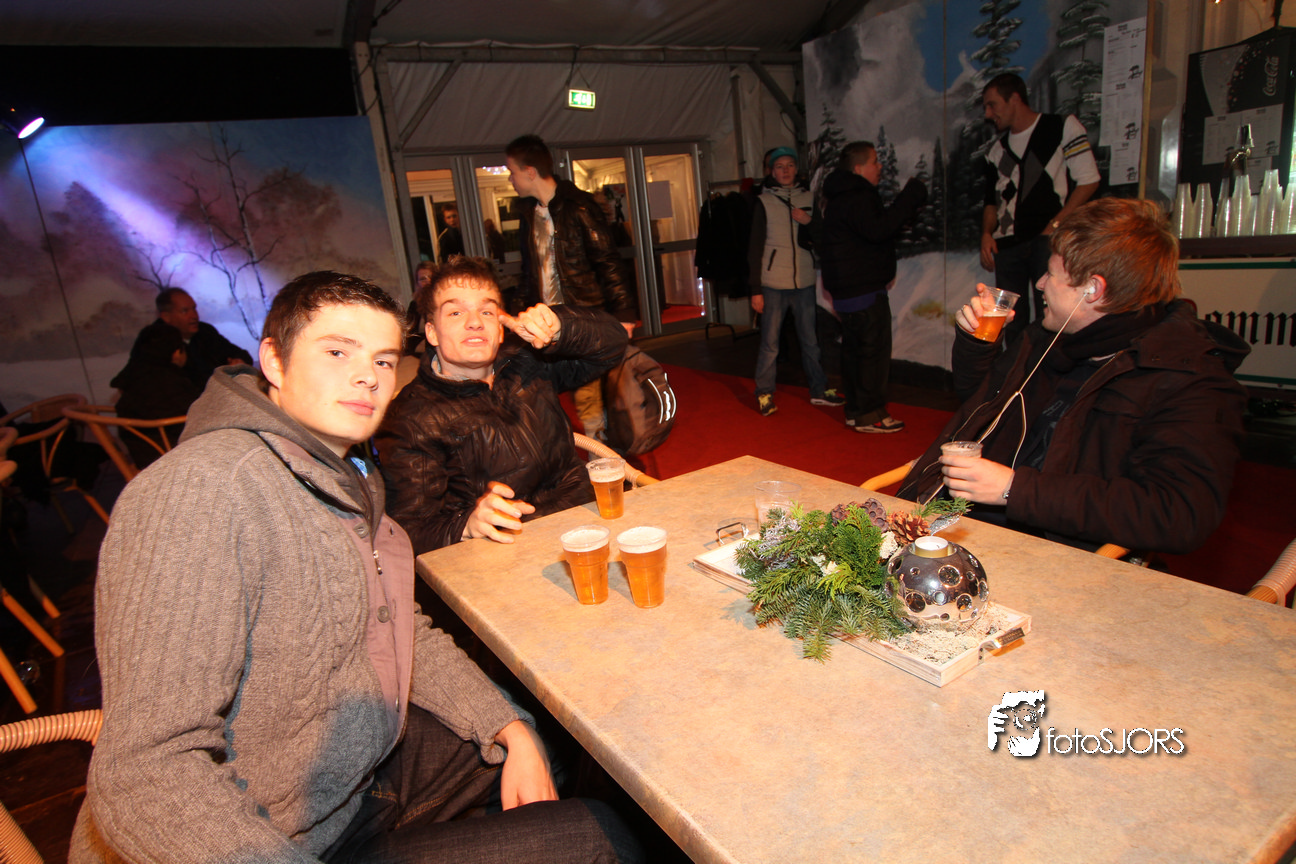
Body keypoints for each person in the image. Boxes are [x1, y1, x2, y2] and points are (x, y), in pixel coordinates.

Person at [72, 271, 640, 864]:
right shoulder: (200, 492)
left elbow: (396, 628)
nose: (368, 375)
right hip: (274, 835)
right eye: (338, 352)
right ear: (273, 360)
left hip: (351, 771)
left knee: (553, 738)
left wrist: (507, 727)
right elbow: (146, 774)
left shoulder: (343, 473)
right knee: (604, 837)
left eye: (382, 360)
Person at [898, 199, 1249, 556]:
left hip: (1051, 556)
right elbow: (981, 407)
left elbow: (1179, 514)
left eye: (1051, 274)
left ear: (1093, 289)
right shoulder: (1048, 338)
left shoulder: (1190, 380)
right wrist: (977, 344)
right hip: (966, 526)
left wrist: (1015, 489)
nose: (1040, 284)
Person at [377, 256, 628, 554]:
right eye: (456, 312)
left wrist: (560, 326)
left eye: (486, 311)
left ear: (499, 328)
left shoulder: (524, 361)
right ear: (432, 332)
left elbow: (613, 345)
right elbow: (409, 531)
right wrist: (466, 524)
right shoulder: (411, 417)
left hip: (585, 514)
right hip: (509, 546)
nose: (474, 322)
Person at [506, 134, 638, 441]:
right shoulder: (529, 215)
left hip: (583, 315)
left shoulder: (579, 207)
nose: (510, 179)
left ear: (530, 172)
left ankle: (599, 448)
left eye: (512, 171)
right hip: (545, 319)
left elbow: (608, 261)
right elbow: (529, 272)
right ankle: (576, 444)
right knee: (544, 387)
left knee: (587, 390)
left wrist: (624, 314)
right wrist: (516, 316)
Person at [980, 73, 1101, 344]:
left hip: (1047, 241)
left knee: (1053, 313)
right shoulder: (996, 151)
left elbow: (1089, 180)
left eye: (992, 104)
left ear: (1014, 99)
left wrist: (1056, 224)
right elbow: (991, 202)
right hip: (1006, 246)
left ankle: (1048, 370)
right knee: (1008, 320)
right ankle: (1014, 369)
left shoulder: (1061, 127)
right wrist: (986, 233)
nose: (988, 114)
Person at [819, 141, 927, 434]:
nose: (879, 167)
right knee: (872, 355)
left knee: (855, 353)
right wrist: (911, 195)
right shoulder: (857, 197)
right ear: (858, 168)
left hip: (848, 291)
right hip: (862, 290)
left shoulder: (840, 198)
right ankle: (869, 414)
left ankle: (857, 412)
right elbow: (880, 229)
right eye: (874, 162)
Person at [748, 146, 843, 416]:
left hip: (804, 281)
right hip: (773, 283)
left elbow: (823, 238)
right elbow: (754, 248)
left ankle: (819, 390)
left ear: (796, 169)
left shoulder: (808, 198)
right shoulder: (763, 202)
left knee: (810, 340)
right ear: (771, 171)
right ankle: (764, 392)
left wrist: (808, 221)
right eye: (779, 166)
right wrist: (756, 289)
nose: (785, 170)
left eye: (790, 165)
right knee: (770, 343)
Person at [108, 324, 200, 469]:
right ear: (176, 353)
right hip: (175, 460)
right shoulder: (169, 382)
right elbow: (197, 417)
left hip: (145, 458)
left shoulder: (132, 376)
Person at [132, 287, 254, 388]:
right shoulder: (153, 340)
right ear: (166, 317)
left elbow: (240, 354)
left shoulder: (205, 331)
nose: (194, 316)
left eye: (194, 309)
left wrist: (238, 362)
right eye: (185, 311)